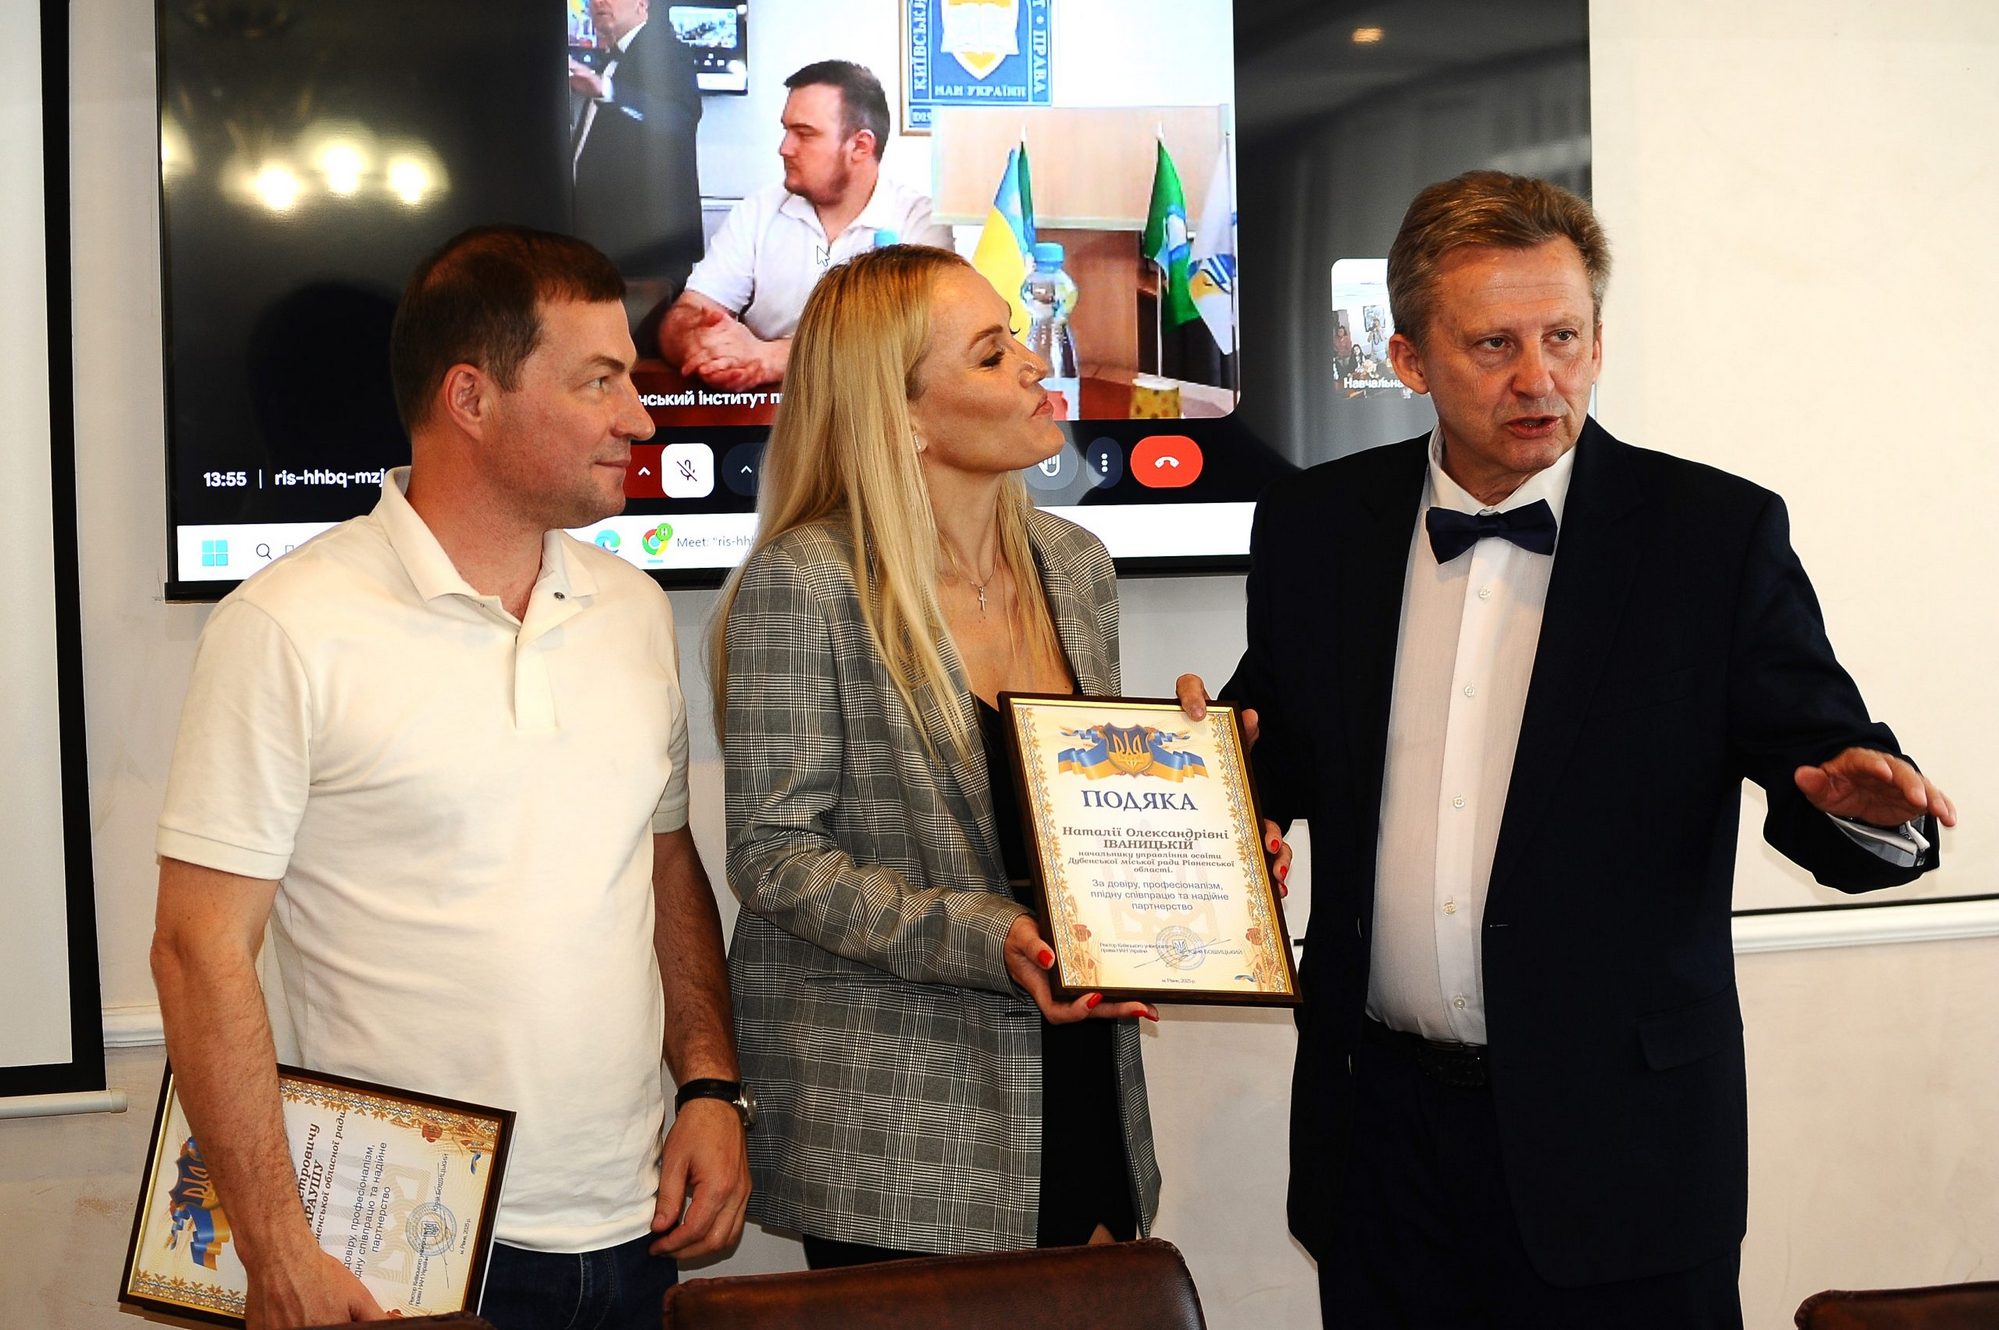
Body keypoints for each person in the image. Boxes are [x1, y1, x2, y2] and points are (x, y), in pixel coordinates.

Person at [1180, 171, 1954, 1328]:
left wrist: (1865, 807)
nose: (1537, 377)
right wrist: (1207, 781)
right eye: (1493, 344)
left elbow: (1822, 769)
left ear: (1599, 340)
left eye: (1564, 338)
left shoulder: (1710, 536)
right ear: (1407, 359)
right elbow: (1279, 746)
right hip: (1380, 1146)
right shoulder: (1317, 525)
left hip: (1621, 1155)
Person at [151, 226, 751, 1330]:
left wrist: (710, 1085)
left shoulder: (630, 610)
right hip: (399, 1256)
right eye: (599, 381)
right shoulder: (285, 627)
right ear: (470, 397)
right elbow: (197, 951)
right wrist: (275, 1246)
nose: (639, 417)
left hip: (632, 1227)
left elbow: (663, 865)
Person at [715, 243, 1160, 1265]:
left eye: (1018, 340)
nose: (1036, 364)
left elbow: (1080, 826)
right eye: (993, 354)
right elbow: (774, 857)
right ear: (902, 414)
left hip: (1082, 1080)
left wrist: (1203, 827)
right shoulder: (807, 582)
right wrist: (987, 939)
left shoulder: (1074, 564)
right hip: (902, 1133)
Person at [658, 60, 952, 389]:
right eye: (786, 130)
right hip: (766, 414)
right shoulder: (758, 211)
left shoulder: (919, 221)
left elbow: (917, 343)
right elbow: (685, 314)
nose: (784, 148)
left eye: (804, 134)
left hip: (874, 414)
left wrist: (774, 358)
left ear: (860, 146)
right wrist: (703, 344)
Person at [570, 0, 706, 297]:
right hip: (603, 242)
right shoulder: (609, 58)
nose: (598, 2)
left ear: (642, 4)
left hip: (648, 250)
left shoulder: (669, 52)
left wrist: (607, 90)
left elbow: (680, 119)